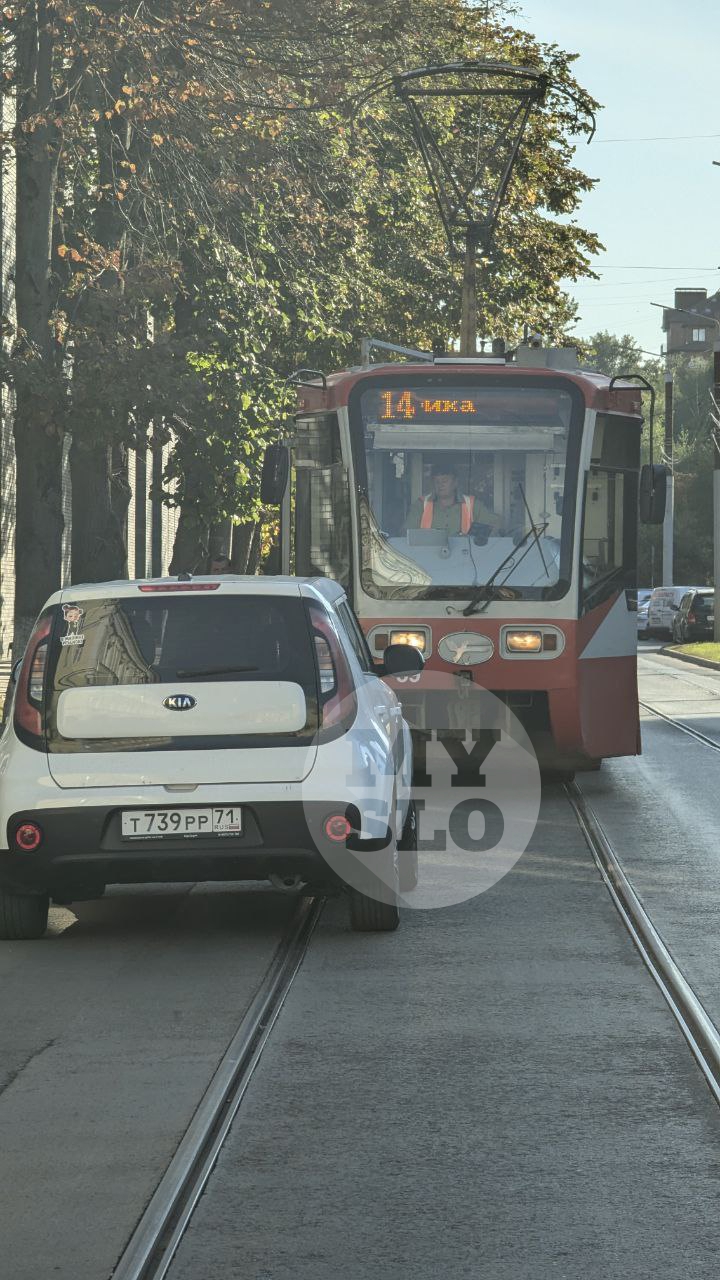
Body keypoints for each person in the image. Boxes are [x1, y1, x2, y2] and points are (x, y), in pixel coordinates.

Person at [407, 462, 501, 536]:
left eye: (445, 481)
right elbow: (406, 533)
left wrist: (474, 538)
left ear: (455, 482)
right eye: (437, 481)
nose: (440, 485)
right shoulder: (421, 505)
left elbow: (496, 525)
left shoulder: (472, 504)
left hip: (466, 557)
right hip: (426, 557)